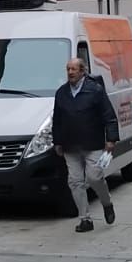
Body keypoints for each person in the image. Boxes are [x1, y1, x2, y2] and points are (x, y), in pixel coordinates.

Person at [50, 57, 118, 234]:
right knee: (75, 182)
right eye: (68, 69)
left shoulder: (95, 90)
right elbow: (57, 120)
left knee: (95, 177)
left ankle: (106, 203)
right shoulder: (61, 93)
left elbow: (109, 116)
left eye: (74, 69)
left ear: (83, 71)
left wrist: (111, 139)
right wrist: (57, 141)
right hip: (70, 146)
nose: (70, 72)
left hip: (92, 143)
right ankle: (85, 219)